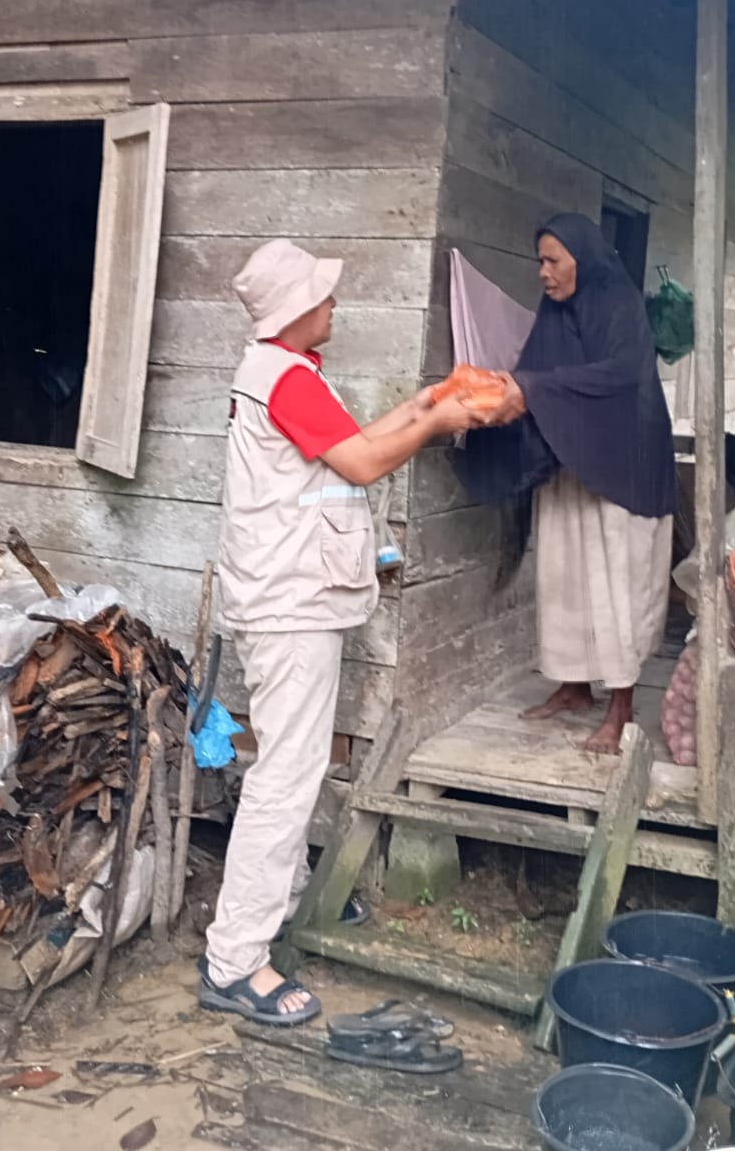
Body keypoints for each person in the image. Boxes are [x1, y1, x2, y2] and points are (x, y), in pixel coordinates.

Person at [200, 238, 479, 1026]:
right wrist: (436, 424)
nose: (333, 305)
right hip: (288, 606)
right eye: (322, 296)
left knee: (289, 765)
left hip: (286, 598)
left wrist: (425, 404)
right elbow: (361, 465)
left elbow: (347, 442)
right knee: (284, 778)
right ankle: (235, 961)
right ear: (295, 314)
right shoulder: (286, 379)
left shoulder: (285, 375)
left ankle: (278, 905)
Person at [457, 213, 675, 755]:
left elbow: (621, 376)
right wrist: (503, 398)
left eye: (553, 261)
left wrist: (530, 390)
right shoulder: (555, 314)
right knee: (566, 577)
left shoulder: (619, 305)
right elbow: (533, 371)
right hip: (571, 460)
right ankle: (575, 686)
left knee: (613, 582)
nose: (543, 273)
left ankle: (621, 705)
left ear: (584, 258)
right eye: (540, 261)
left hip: (622, 467)